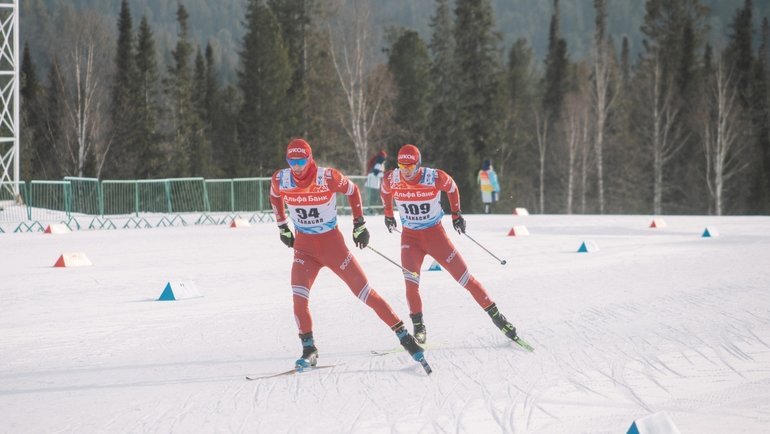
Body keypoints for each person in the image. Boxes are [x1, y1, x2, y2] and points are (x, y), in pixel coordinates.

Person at [269, 138, 425, 370]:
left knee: (366, 294)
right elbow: (274, 196)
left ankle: (404, 336)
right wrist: (282, 226)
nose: (297, 167)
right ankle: (309, 349)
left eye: (301, 161)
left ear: (310, 158)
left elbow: (353, 191)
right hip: (304, 250)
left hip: (333, 247)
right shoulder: (281, 178)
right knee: (299, 300)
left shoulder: (327, 177)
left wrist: (359, 225)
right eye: (292, 161)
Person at [379, 144, 519, 345]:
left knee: (465, 279)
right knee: (411, 284)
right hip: (410, 238)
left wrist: (456, 214)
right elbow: (385, 192)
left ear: (418, 165)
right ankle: (419, 328)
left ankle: (499, 319)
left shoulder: (434, 177)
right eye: (402, 166)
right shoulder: (392, 178)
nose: (406, 172)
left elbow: (452, 188)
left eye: (410, 167)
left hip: (436, 236)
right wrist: (388, 214)